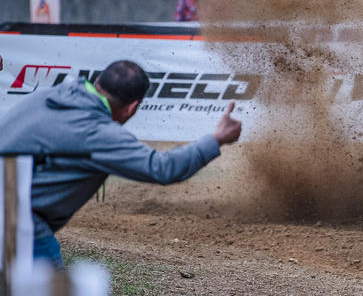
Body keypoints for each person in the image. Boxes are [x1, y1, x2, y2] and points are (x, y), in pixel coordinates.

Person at [0, 59, 241, 266]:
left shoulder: (50, 95)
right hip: (13, 218)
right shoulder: (97, 132)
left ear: (98, 82)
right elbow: (162, 168)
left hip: (11, 206)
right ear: (132, 108)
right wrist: (216, 139)